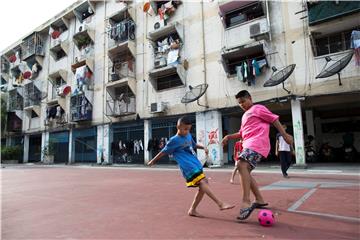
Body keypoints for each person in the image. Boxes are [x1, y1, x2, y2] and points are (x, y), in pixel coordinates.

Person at [221, 90, 293, 220]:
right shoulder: (244, 116)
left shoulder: (258, 108)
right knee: (244, 171)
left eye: (243, 101)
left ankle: (246, 201)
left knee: (241, 164)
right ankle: (259, 199)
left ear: (250, 98)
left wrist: (285, 135)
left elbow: (274, 119)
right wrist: (228, 136)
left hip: (257, 144)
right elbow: (241, 133)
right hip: (248, 144)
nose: (242, 104)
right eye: (239, 103)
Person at [148, 116, 235, 217]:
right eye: (185, 129)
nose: (187, 131)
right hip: (188, 167)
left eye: (189, 129)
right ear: (178, 127)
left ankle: (192, 210)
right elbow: (164, 151)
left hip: (195, 164)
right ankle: (220, 203)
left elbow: (193, 145)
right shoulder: (174, 140)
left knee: (204, 184)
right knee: (203, 182)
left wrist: (203, 147)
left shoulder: (188, 135)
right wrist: (153, 160)